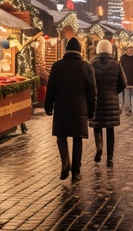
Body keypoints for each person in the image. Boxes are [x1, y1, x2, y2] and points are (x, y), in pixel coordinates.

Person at [44, 37, 96, 182]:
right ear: (80, 51)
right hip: (80, 107)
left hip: (61, 106)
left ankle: (65, 161)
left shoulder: (57, 66)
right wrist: (92, 111)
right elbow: (92, 91)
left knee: (61, 136)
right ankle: (76, 172)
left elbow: (51, 89)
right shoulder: (87, 67)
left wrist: (48, 106)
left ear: (66, 50)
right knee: (77, 139)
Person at [89, 39, 127, 167]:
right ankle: (110, 158)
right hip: (111, 100)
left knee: (97, 126)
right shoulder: (116, 64)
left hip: (96, 100)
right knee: (110, 130)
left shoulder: (92, 64)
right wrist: (114, 92)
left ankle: (99, 146)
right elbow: (124, 83)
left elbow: (88, 83)